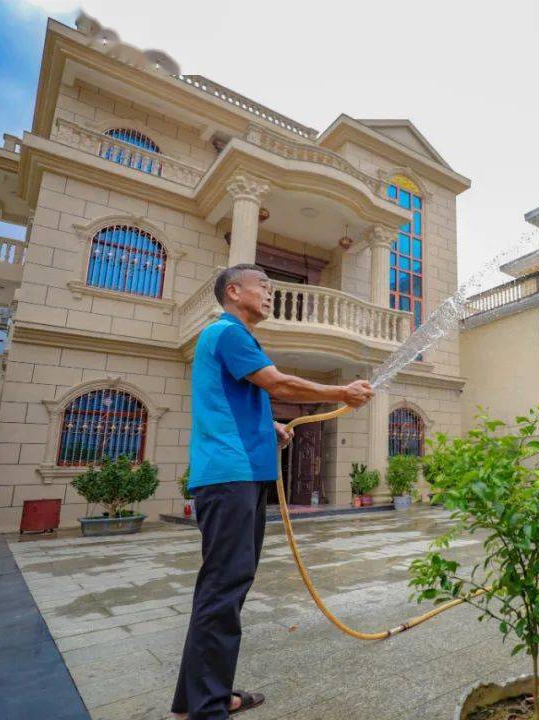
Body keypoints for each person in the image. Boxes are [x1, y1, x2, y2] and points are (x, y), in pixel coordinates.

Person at [172, 263, 374, 719]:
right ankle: (207, 708)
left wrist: (271, 428)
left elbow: (234, 404)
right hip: (230, 478)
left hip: (236, 475)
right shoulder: (228, 332)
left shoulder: (229, 338)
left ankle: (198, 699)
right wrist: (341, 390)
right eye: (262, 286)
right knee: (223, 592)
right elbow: (278, 382)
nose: (268, 293)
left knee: (223, 590)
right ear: (233, 290)